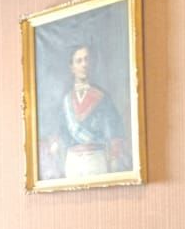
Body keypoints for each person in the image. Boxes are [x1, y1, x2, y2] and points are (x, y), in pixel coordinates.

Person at [46, 44, 129, 180]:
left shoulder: (103, 97)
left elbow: (114, 132)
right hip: (72, 160)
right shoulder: (66, 100)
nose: (84, 64)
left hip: (96, 159)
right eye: (79, 61)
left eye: (86, 60)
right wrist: (55, 144)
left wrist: (114, 158)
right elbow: (60, 130)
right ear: (72, 67)